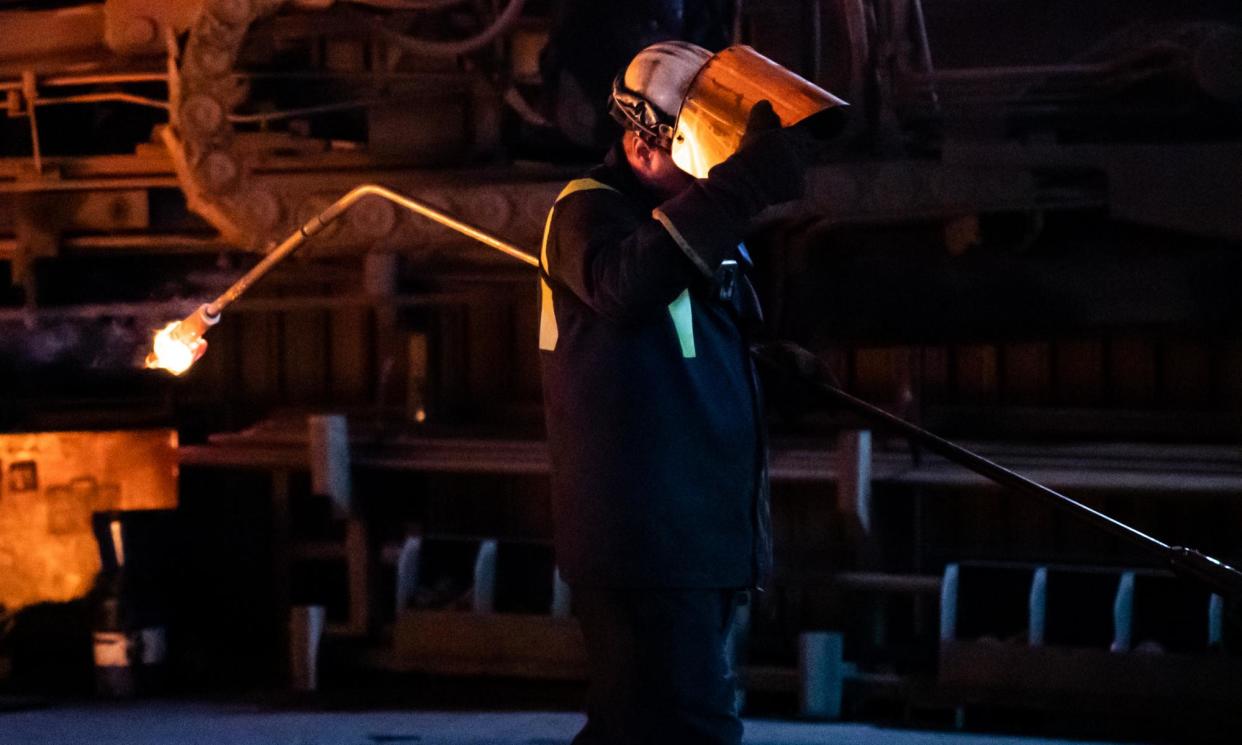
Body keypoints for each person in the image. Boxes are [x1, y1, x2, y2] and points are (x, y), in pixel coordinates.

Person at [538, 40, 815, 744]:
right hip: (646, 542)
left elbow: (672, 349)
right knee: (693, 727)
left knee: (636, 729)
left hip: (693, 536)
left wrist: (764, 372)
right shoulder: (587, 214)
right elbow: (627, 287)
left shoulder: (694, 226)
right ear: (641, 145)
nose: (715, 175)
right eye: (710, 154)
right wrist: (739, 187)